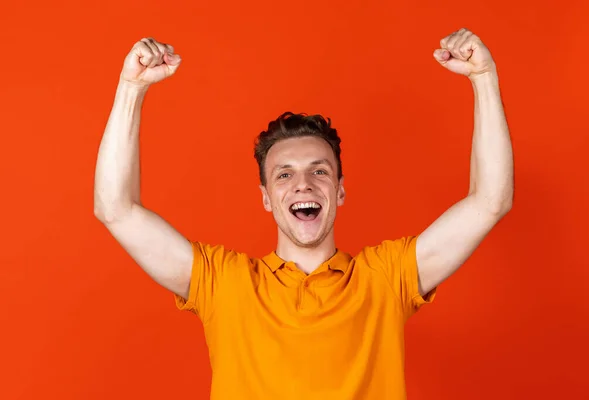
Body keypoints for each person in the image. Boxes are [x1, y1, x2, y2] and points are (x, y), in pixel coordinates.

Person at [94, 28, 513, 400]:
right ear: (265, 197)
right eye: (284, 175)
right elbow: (115, 209)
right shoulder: (224, 284)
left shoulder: (387, 278)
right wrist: (131, 88)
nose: (303, 185)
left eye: (319, 171)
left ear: (340, 190)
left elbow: (489, 201)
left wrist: (483, 79)